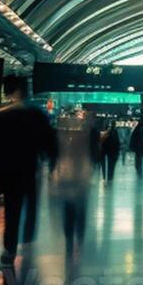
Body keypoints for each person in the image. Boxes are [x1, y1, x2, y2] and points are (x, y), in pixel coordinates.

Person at [0, 76, 58, 263]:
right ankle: (9, 249)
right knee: (13, 209)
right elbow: (49, 142)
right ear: (23, 90)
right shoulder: (36, 115)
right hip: (23, 170)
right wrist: (51, 163)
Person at [53, 108, 98, 253]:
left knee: (70, 210)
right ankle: (78, 237)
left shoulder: (63, 138)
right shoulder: (86, 137)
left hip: (69, 178)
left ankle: (70, 239)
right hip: (78, 179)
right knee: (79, 209)